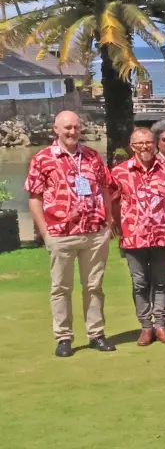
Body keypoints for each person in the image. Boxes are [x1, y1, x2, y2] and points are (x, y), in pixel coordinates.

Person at [27, 111, 115, 357]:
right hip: (60, 233)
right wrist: (45, 232)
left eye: (76, 127)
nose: (72, 132)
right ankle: (64, 337)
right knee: (61, 288)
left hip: (94, 232)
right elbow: (34, 197)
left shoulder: (92, 157)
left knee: (94, 286)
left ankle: (96, 333)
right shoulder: (43, 159)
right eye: (67, 128)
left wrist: (107, 223)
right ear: (56, 129)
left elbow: (105, 189)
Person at [109, 127, 165, 346]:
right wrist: (117, 225)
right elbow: (112, 200)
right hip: (134, 236)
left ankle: (161, 325)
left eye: (148, 142)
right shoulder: (120, 172)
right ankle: (145, 326)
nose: (144, 147)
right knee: (139, 282)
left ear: (155, 144)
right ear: (132, 146)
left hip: (162, 234)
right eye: (139, 143)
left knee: (161, 282)